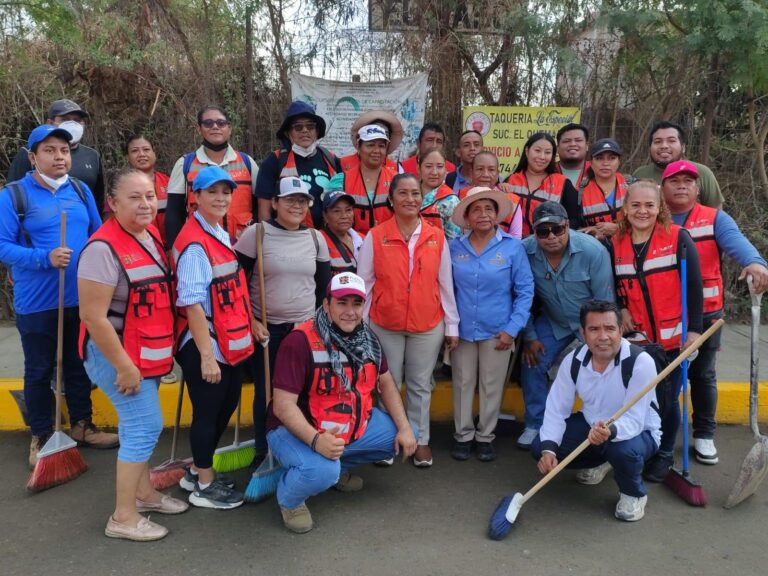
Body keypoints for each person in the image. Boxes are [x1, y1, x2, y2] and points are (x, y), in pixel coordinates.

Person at [78, 168, 187, 542]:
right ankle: (123, 517)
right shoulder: (101, 249)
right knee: (144, 427)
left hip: (146, 350)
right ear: (112, 203)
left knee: (136, 425)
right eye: (134, 198)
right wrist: (124, 367)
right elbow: (93, 317)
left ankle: (143, 495)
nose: (145, 204)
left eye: (150, 197)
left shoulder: (149, 234)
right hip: (116, 355)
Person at [0, 124, 116, 468]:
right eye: (49, 150)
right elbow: (4, 247)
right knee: (39, 369)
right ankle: (42, 435)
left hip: (81, 298)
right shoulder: (14, 195)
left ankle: (82, 425)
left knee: (78, 364)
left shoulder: (80, 191)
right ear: (33, 157)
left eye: (64, 150)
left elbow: (99, 235)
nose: (59, 157)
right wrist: (44, 258)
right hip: (37, 302)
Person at [266, 272, 417, 533]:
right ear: (326, 305)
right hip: (295, 429)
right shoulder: (299, 341)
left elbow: (387, 383)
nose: (350, 311)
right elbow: (282, 406)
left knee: (397, 437)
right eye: (341, 303)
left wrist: (404, 428)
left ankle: (334, 467)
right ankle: (290, 498)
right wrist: (316, 440)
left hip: (346, 423)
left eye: (356, 304)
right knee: (320, 470)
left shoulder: (369, 339)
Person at [661, 160, 768, 464]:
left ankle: (704, 433)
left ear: (698, 188)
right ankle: (663, 435)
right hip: (664, 315)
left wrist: (756, 262)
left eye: (688, 181)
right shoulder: (653, 217)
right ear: (662, 187)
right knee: (666, 379)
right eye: (674, 181)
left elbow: (738, 244)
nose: (682, 186)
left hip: (706, 315)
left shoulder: (714, 218)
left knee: (702, 375)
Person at [357, 173, 460, 467]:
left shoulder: (436, 236)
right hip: (383, 323)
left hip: (427, 325)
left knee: (420, 384)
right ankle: (389, 440)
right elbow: (365, 283)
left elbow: (445, 284)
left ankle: (420, 439)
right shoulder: (376, 236)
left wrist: (452, 325)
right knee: (388, 383)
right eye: (403, 193)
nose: (410, 199)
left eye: (415, 194)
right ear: (391, 199)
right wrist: (360, 327)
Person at [171, 166, 256, 509]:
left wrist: (253, 324)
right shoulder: (194, 244)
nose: (221, 198)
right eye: (212, 192)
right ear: (196, 197)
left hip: (227, 336)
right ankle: (204, 485)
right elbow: (190, 302)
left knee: (227, 402)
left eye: (225, 192)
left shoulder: (218, 231)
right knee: (208, 412)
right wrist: (206, 356)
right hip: (205, 341)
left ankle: (196, 468)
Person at [532, 300, 661, 522]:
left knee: (622, 451)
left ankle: (633, 493)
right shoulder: (573, 361)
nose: (603, 336)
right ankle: (602, 460)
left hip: (638, 433)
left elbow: (636, 419)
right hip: (592, 426)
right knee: (539, 445)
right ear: (582, 333)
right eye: (594, 329)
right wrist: (549, 451)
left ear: (621, 330)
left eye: (610, 328)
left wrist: (610, 432)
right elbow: (556, 409)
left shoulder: (640, 362)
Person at [611, 179, 703, 482]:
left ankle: (664, 454)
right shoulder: (616, 243)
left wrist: (694, 332)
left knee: (666, 398)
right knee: (640, 398)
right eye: (635, 205)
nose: (642, 211)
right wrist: (621, 307)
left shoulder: (678, 238)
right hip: (639, 340)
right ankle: (644, 448)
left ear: (660, 207)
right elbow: (616, 285)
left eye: (649, 205)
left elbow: (695, 289)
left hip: (673, 339)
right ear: (625, 209)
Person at [234, 177, 331, 465]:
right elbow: (236, 283)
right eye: (289, 200)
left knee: (303, 392)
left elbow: (324, 289)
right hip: (267, 330)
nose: (296, 206)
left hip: (304, 331)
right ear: (275, 203)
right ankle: (264, 452)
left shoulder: (316, 238)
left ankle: (301, 449)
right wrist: (251, 321)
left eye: (302, 201)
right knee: (267, 393)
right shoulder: (257, 234)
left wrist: (317, 327)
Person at [517, 201, 615, 449]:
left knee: (602, 368)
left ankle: (601, 425)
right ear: (534, 232)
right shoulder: (524, 251)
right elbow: (521, 296)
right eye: (543, 231)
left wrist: (597, 338)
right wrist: (529, 335)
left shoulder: (593, 251)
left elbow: (604, 302)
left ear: (568, 226)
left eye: (557, 229)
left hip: (591, 323)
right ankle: (535, 424)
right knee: (533, 360)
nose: (551, 236)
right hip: (554, 320)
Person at [449, 187, 534, 461]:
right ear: (467, 216)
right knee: (462, 382)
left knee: (491, 385)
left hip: (498, 330)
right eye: (476, 209)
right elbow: (445, 289)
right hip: (461, 330)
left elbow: (525, 291)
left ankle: (485, 436)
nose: (483, 214)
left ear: (497, 214)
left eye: (488, 209)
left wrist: (512, 329)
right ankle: (463, 436)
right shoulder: (454, 248)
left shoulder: (512, 247)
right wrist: (448, 327)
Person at [165, 105, 258, 248]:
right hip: (200, 246)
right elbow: (173, 213)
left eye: (221, 123)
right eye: (208, 123)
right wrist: (173, 249)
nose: (215, 127)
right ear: (199, 129)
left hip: (244, 247)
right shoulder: (184, 164)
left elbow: (260, 207)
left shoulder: (247, 162)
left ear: (229, 128)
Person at [7, 99, 106, 213]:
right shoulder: (30, 153)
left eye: (77, 120)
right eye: (65, 119)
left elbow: (98, 199)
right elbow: (13, 197)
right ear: (50, 122)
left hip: (82, 225)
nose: (73, 124)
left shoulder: (92, 155)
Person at [256, 100, 341, 228]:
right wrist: (268, 237)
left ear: (317, 131)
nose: (305, 130)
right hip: (288, 237)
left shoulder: (331, 159)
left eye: (310, 126)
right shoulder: (274, 161)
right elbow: (264, 210)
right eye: (298, 127)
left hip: (328, 237)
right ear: (288, 133)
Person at [632, 120, 723, 209]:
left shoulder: (702, 172)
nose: (664, 146)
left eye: (671, 141)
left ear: (683, 147)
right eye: (658, 142)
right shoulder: (640, 174)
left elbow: (716, 212)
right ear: (650, 147)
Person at [326, 124, 398, 236]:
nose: (376, 150)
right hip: (352, 247)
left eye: (381, 146)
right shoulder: (340, 181)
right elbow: (331, 219)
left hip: (389, 246)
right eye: (370, 145)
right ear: (358, 147)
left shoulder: (397, 180)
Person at [504, 132, 578, 238]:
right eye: (537, 150)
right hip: (513, 244)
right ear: (527, 151)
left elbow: (574, 220)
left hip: (546, 246)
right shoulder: (510, 180)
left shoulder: (562, 183)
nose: (542, 157)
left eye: (547, 152)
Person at [562, 138, 630, 241]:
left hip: (630, 249)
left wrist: (618, 228)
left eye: (612, 158)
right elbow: (571, 229)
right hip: (596, 250)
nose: (605, 163)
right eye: (599, 158)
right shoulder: (579, 192)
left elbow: (647, 222)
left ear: (619, 162)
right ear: (591, 162)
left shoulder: (632, 186)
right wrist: (591, 231)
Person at [125, 134, 170, 245]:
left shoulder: (169, 182)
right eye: (135, 151)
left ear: (154, 153)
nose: (141, 154)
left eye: (146, 149)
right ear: (128, 157)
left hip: (169, 247)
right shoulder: (122, 186)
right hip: (138, 247)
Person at [469, 151, 523, 238]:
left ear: (498, 173)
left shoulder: (512, 201)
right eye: (480, 169)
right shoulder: (460, 197)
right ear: (471, 172)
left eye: (491, 170)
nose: (485, 175)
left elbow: (516, 239)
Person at [418, 148, 461, 239]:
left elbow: (453, 241)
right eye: (428, 166)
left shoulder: (451, 202)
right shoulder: (408, 193)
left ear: (446, 170)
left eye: (440, 167)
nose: (434, 172)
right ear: (418, 169)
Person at [319, 189, 362, 276]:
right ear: (325, 215)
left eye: (348, 210)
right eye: (337, 211)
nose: (344, 216)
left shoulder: (364, 239)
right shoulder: (318, 241)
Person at [555, 123, 590, 188]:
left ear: (587, 146)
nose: (572, 144)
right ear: (557, 148)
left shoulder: (596, 171)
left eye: (578, 140)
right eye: (566, 141)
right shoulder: (547, 171)